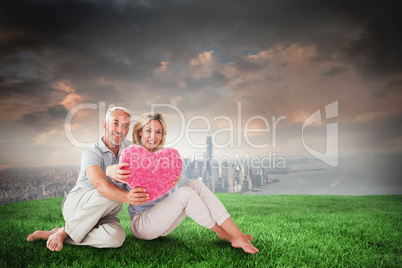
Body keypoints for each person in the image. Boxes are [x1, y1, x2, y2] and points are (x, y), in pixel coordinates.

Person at [107, 113, 259, 254]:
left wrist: (170, 183)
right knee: (185, 194)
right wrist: (110, 171)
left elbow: (165, 197)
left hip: (164, 225)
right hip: (143, 225)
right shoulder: (128, 158)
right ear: (140, 132)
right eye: (148, 130)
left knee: (195, 184)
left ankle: (234, 232)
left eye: (158, 132)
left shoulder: (164, 160)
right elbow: (112, 185)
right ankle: (227, 234)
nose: (153, 136)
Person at [27, 107, 152, 251]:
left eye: (125, 126)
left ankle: (61, 232)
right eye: (115, 123)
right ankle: (63, 232)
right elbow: (100, 185)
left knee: (116, 238)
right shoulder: (92, 152)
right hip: (78, 205)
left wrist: (170, 176)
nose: (120, 130)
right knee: (111, 192)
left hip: (104, 214)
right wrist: (127, 195)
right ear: (105, 125)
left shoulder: (132, 149)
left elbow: (149, 170)